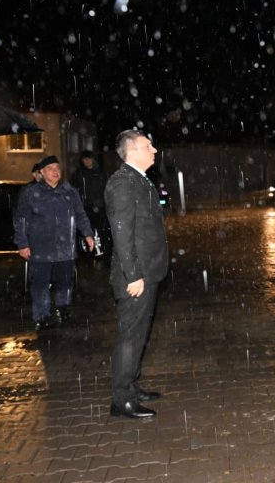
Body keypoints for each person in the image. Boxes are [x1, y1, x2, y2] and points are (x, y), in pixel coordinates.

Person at [105, 130, 169, 419]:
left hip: (147, 271)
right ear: (132, 152)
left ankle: (131, 386)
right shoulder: (122, 184)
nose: (154, 150)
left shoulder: (137, 179)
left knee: (140, 333)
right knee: (130, 336)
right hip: (136, 276)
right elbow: (122, 235)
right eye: (148, 146)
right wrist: (133, 275)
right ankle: (122, 400)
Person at [14, 155, 94, 330]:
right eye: (50, 169)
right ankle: (41, 316)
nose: (55, 172)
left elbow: (80, 214)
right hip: (40, 248)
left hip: (66, 248)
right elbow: (21, 219)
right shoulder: (31, 193)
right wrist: (22, 243)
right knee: (41, 283)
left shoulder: (69, 192)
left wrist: (88, 234)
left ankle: (63, 309)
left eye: (57, 168)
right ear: (41, 172)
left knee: (65, 281)